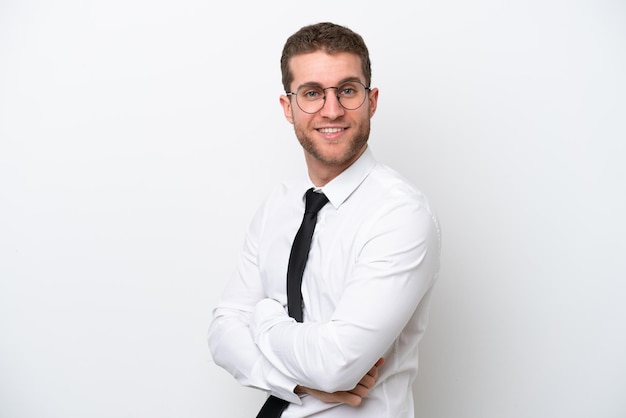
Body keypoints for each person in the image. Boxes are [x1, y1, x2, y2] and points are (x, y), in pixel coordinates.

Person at [208, 22, 441, 417]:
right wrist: (295, 382)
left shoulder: (400, 215)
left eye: (347, 90)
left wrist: (263, 316)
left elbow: (336, 365)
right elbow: (222, 333)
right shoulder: (277, 206)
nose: (332, 110)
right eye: (312, 93)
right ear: (288, 108)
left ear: (372, 100)